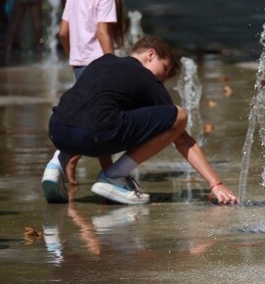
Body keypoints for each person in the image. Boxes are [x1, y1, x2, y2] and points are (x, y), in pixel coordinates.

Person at [44, 35, 238, 205]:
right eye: (165, 68)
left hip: (57, 130)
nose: (162, 79)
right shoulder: (146, 77)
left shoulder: (102, 62)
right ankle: (114, 177)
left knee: (91, 116)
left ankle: (55, 167)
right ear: (151, 54)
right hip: (94, 134)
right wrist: (216, 184)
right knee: (179, 116)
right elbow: (181, 138)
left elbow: (93, 114)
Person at [41, 0, 128, 202]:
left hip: (80, 65)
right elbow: (103, 33)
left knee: (94, 120)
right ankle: (69, 164)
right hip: (99, 66)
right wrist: (111, 62)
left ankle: (86, 167)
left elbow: (62, 33)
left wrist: (73, 56)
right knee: (105, 122)